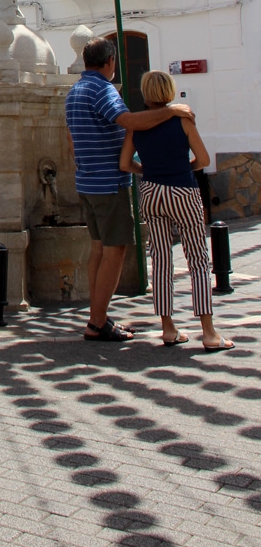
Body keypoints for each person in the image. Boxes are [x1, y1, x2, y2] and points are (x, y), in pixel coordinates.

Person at [66, 37, 195, 343]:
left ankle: (96, 318)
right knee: (115, 251)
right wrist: (173, 111)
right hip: (109, 185)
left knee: (98, 250)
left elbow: (71, 140)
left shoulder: (75, 92)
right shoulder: (102, 90)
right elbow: (130, 121)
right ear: (109, 62)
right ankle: (97, 323)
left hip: (86, 182)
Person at [119, 70, 234, 352]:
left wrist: (146, 170)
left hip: (152, 192)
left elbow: (125, 164)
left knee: (160, 260)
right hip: (183, 189)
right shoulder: (182, 120)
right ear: (169, 91)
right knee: (197, 258)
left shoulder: (138, 125)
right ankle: (208, 331)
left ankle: (168, 328)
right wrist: (184, 167)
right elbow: (203, 159)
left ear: (146, 94)